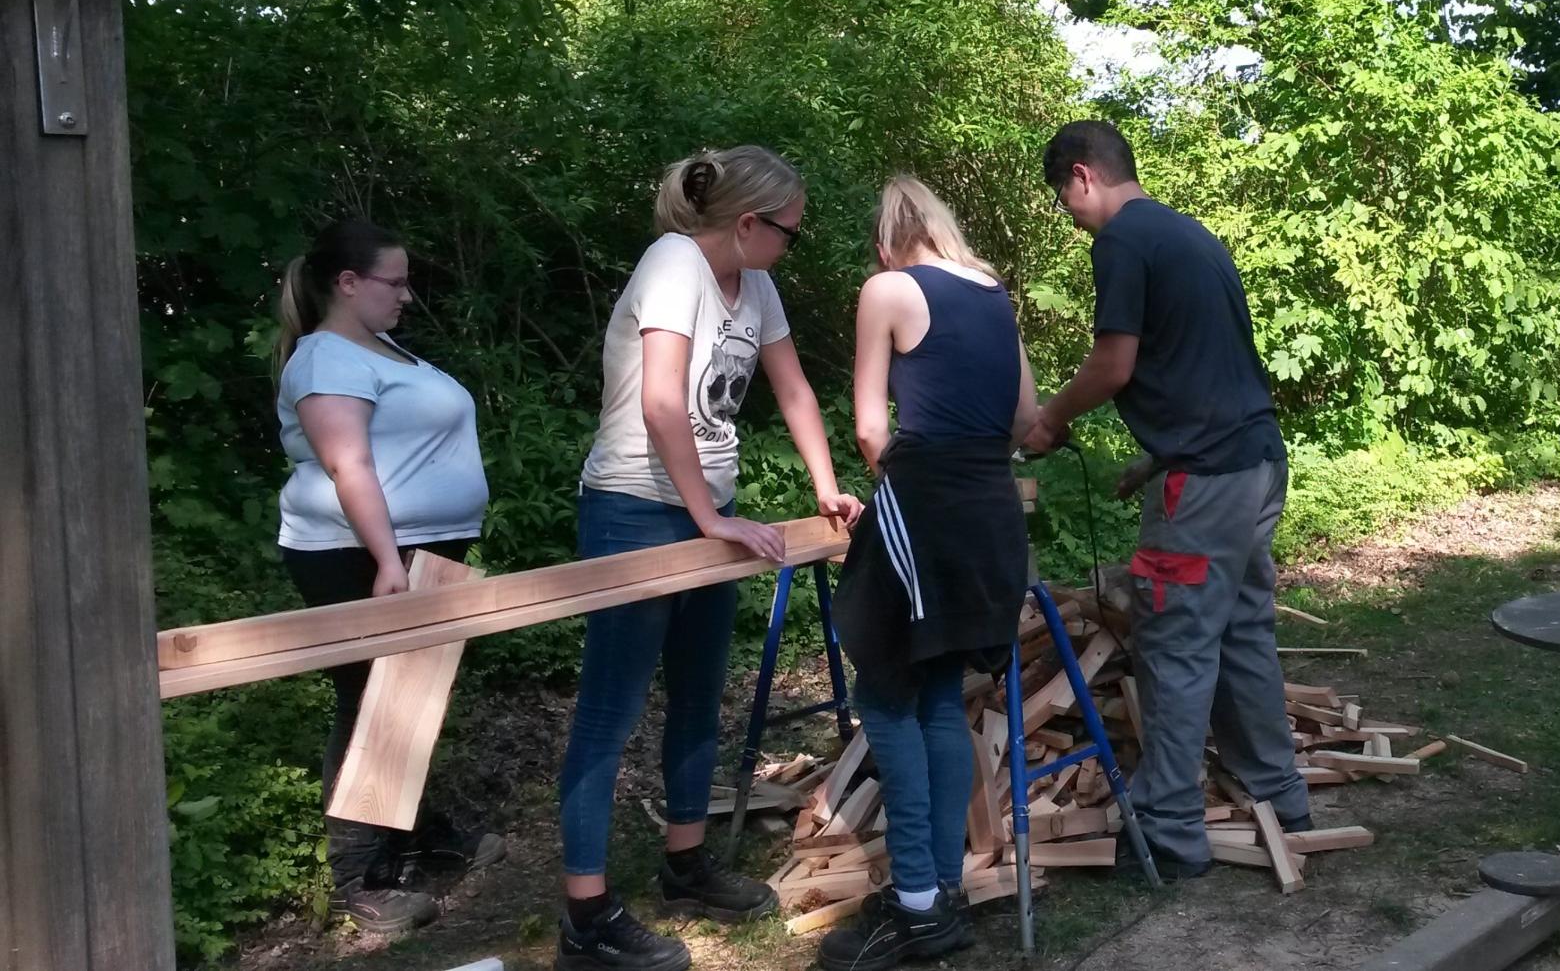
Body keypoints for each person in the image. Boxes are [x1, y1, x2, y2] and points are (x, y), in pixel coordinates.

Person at [556, 147, 863, 971]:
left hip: (706, 511)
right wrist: (708, 520)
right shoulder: (673, 264)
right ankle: (583, 919)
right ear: (749, 223)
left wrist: (827, 487)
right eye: (790, 234)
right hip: (632, 508)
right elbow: (661, 402)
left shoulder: (755, 285)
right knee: (611, 709)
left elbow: (793, 388)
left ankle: (684, 864)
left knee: (699, 694)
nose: (791, 248)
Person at [1021, 119, 1308, 878]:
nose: (1070, 214)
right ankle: (1278, 789)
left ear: (1083, 177)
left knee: (1175, 644)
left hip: (1206, 482)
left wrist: (1049, 417)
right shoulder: (1190, 235)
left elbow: (1115, 365)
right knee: (1242, 629)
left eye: (1063, 198)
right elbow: (1208, 368)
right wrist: (1153, 461)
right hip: (1254, 464)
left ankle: (1170, 830)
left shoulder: (1120, 242)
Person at [817, 176, 1036, 970]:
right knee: (941, 695)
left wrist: (892, 494)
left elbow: (873, 429)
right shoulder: (994, 295)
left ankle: (913, 904)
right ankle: (938, 890)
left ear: (886, 240)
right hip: (992, 508)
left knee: (883, 688)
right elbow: (1024, 420)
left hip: (926, 504)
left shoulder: (887, 289)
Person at [272, 217, 505, 935]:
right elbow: (349, 465)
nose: (407, 295)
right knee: (370, 700)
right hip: (358, 554)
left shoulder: (384, 349)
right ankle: (361, 875)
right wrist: (383, 561)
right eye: (394, 282)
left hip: (423, 550)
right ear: (348, 283)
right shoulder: (324, 358)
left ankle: (416, 830)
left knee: (410, 699)